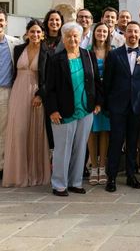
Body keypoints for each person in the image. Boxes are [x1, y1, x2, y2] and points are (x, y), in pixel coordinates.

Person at [46, 22, 102, 196]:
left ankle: (75, 182)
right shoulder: (55, 59)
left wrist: (98, 102)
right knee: (63, 149)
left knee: (80, 148)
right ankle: (59, 184)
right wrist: (52, 110)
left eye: (75, 35)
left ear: (80, 37)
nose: (72, 39)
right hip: (63, 111)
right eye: (68, 36)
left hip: (85, 109)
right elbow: (49, 87)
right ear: (63, 38)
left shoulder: (88, 55)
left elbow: (96, 81)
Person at [103, 21, 140, 192]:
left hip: (137, 107)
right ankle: (112, 178)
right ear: (125, 34)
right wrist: (106, 106)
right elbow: (107, 82)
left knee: (133, 143)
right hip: (117, 106)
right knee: (116, 142)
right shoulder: (114, 55)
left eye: (136, 32)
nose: (133, 34)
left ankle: (131, 175)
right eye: (130, 31)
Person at [2, 19, 49, 187]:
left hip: (36, 96)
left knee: (34, 132)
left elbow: (48, 79)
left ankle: (34, 173)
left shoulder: (46, 52)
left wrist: (40, 95)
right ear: (27, 33)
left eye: (38, 32)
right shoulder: (18, 49)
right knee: (18, 131)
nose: (35, 35)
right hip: (17, 92)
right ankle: (17, 174)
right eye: (32, 31)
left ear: (43, 34)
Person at [87, 23, 113, 186]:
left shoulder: (113, 52)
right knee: (92, 131)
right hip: (92, 95)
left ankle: (103, 167)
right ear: (94, 33)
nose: (101, 33)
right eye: (99, 31)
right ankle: (94, 167)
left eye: (104, 31)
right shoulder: (87, 52)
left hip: (108, 95)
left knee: (105, 131)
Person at [0, 11, 22, 179]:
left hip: (6, 92)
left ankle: (1, 167)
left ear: (6, 22)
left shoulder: (14, 43)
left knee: (4, 131)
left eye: (1, 20)